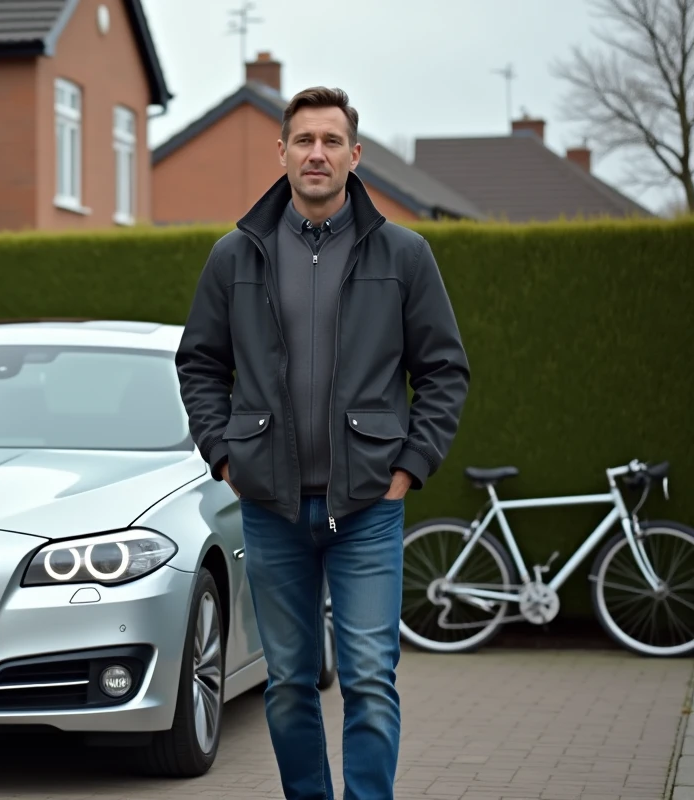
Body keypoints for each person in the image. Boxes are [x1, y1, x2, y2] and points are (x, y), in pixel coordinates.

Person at [174, 86, 470, 799]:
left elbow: (444, 371)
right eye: (304, 140)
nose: (317, 153)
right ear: (282, 151)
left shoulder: (404, 254)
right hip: (270, 508)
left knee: (369, 678)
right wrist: (225, 457)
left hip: (369, 506)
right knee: (287, 683)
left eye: (331, 141)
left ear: (354, 155)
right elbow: (200, 365)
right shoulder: (234, 255)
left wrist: (409, 468)